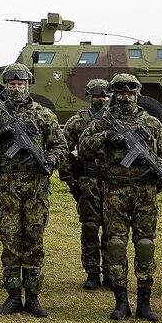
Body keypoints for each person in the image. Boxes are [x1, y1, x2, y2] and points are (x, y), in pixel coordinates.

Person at [0, 65, 66, 317]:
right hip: (8, 185)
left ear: (27, 85)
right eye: (11, 85)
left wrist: (50, 161)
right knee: (10, 240)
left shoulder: (43, 114)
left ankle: (33, 297)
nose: (16, 88)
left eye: (20, 84)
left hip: (36, 186)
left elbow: (59, 145)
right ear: (6, 86)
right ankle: (13, 296)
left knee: (34, 241)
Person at [79, 73, 162, 321]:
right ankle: (120, 302)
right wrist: (107, 138)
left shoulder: (151, 123)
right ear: (114, 94)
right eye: (120, 93)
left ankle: (144, 303)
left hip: (144, 191)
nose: (125, 97)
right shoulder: (103, 121)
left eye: (130, 92)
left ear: (137, 94)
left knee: (145, 245)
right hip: (115, 190)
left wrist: (158, 166)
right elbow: (83, 147)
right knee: (116, 245)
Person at [63, 79, 111, 289]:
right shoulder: (77, 121)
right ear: (89, 96)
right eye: (97, 96)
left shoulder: (117, 121)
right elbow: (63, 151)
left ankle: (111, 271)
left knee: (112, 228)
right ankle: (92, 271)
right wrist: (70, 179)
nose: (101, 99)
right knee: (90, 227)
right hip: (87, 180)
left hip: (113, 182)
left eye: (105, 96)